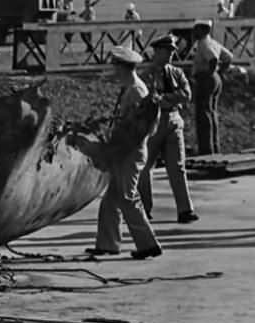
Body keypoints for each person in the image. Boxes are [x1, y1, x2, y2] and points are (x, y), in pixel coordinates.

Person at [77, 46, 162, 260]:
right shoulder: (130, 88)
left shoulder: (137, 91)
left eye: (116, 66)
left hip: (130, 151)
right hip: (124, 150)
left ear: (123, 67)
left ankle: (149, 245)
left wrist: (119, 145)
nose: (114, 71)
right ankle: (108, 244)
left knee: (127, 197)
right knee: (111, 200)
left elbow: (143, 126)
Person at [136, 34, 196, 224]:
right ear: (158, 51)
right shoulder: (146, 75)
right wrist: (167, 98)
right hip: (153, 122)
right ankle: (144, 208)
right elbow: (148, 99)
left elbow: (186, 94)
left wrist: (165, 98)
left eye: (172, 51)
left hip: (173, 119)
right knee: (145, 168)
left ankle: (185, 209)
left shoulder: (176, 73)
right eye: (167, 51)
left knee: (177, 167)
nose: (171, 54)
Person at [190, 19, 235, 156]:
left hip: (206, 78)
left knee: (203, 114)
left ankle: (207, 150)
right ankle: (215, 147)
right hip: (214, 78)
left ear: (203, 30)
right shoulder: (213, 42)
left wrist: (209, 73)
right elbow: (228, 57)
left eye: (196, 29)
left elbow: (213, 58)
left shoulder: (204, 43)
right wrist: (219, 72)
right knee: (211, 112)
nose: (194, 32)